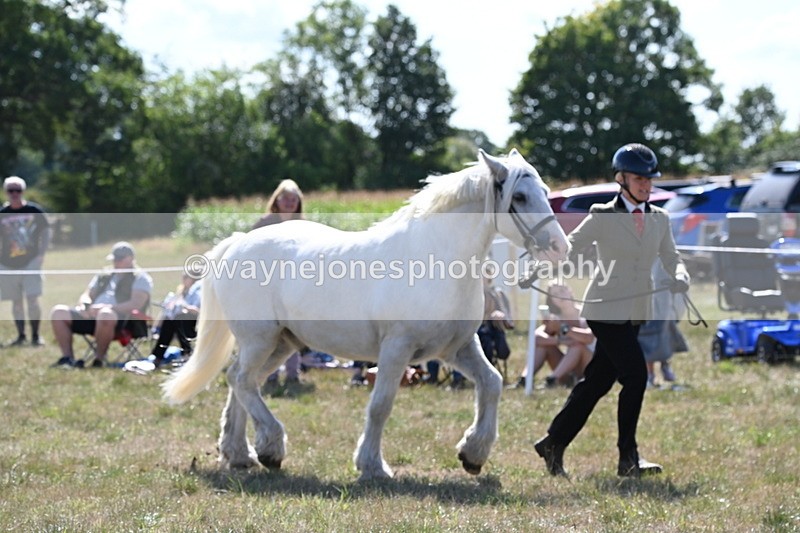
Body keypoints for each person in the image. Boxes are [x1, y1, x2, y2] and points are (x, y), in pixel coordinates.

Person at [534, 143, 690, 478]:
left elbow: (672, 258)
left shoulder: (659, 220)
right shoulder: (602, 215)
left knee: (597, 382)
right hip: (605, 309)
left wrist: (680, 276)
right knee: (635, 376)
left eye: (649, 180)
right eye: (639, 179)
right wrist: (548, 261)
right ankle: (628, 458)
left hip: (635, 310)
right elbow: (573, 244)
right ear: (621, 179)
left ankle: (552, 442)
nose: (646, 185)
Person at [50, 242, 153, 368]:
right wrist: (84, 306)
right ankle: (68, 358)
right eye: (114, 260)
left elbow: (135, 304)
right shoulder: (104, 275)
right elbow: (87, 294)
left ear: (130, 259)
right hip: (93, 316)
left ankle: (99, 359)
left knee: (105, 315)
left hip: (122, 321)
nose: (115, 263)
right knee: (58, 312)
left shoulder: (141, 278)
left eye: (119, 260)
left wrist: (107, 308)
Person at [252, 179, 304, 385]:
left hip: (292, 286)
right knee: (270, 332)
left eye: (294, 199)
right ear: (277, 200)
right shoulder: (264, 224)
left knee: (293, 331)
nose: (290, 202)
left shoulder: (302, 226)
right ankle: (270, 374)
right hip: (267, 286)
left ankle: (293, 374)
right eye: (286, 198)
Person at [0, 176, 50, 347]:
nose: (14, 194)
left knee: (32, 298)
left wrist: (41, 254)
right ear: (6, 192)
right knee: (16, 301)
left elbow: (45, 233)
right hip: (8, 263)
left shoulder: (34, 211)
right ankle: (21, 335)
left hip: (30, 262)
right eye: (11, 190)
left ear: (23, 191)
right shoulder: (2, 214)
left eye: (18, 190)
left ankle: (36, 336)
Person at [516, 282, 595, 388]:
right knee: (545, 346)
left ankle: (552, 380)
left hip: (591, 366)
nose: (559, 296)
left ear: (570, 291)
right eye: (555, 294)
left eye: (562, 291)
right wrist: (560, 341)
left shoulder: (585, 312)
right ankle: (525, 379)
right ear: (552, 300)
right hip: (570, 370)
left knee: (578, 346)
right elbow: (536, 338)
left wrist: (563, 328)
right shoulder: (556, 319)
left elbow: (588, 338)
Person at [638, 262, 688, 387]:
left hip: (664, 299)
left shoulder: (665, 253)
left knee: (664, 334)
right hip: (643, 302)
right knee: (646, 339)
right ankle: (649, 374)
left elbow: (676, 262)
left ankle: (664, 364)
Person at [149, 268, 202, 367]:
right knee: (170, 321)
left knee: (179, 319)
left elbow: (200, 311)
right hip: (180, 324)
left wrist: (185, 307)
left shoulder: (199, 292)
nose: (183, 279)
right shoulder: (181, 292)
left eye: (186, 277)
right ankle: (158, 356)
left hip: (195, 325)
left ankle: (186, 353)